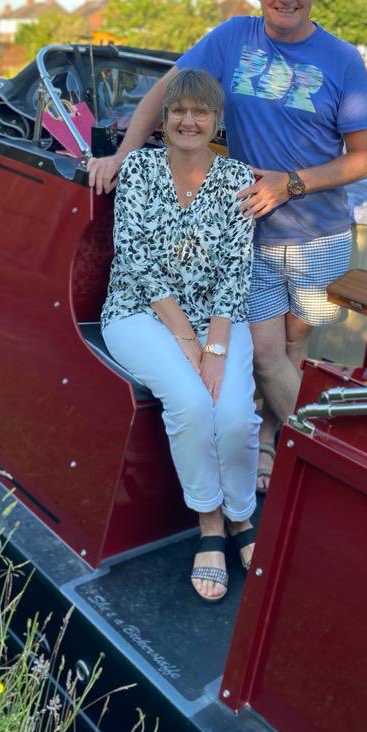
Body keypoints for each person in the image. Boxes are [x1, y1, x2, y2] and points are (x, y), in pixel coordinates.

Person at [90, 0, 367, 493]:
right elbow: (167, 91)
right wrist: (125, 156)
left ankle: (273, 442)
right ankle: (339, 472)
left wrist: (292, 183)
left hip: (320, 237)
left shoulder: (343, 60)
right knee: (270, 357)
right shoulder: (231, 38)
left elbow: (365, 158)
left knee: (297, 348)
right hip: (254, 234)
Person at [101, 69, 259, 602]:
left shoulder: (238, 178)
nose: (188, 121)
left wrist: (214, 346)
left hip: (216, 318)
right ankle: (212, 525)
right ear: (163, 119)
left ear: (216, 120)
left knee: (235, 412)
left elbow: (237, 271)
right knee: (192, 402)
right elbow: (137, 260)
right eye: (178, 112)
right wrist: (189, 344)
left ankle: (243, 515)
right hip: (137, 312)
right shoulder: (141, 168)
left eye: (200, 112)